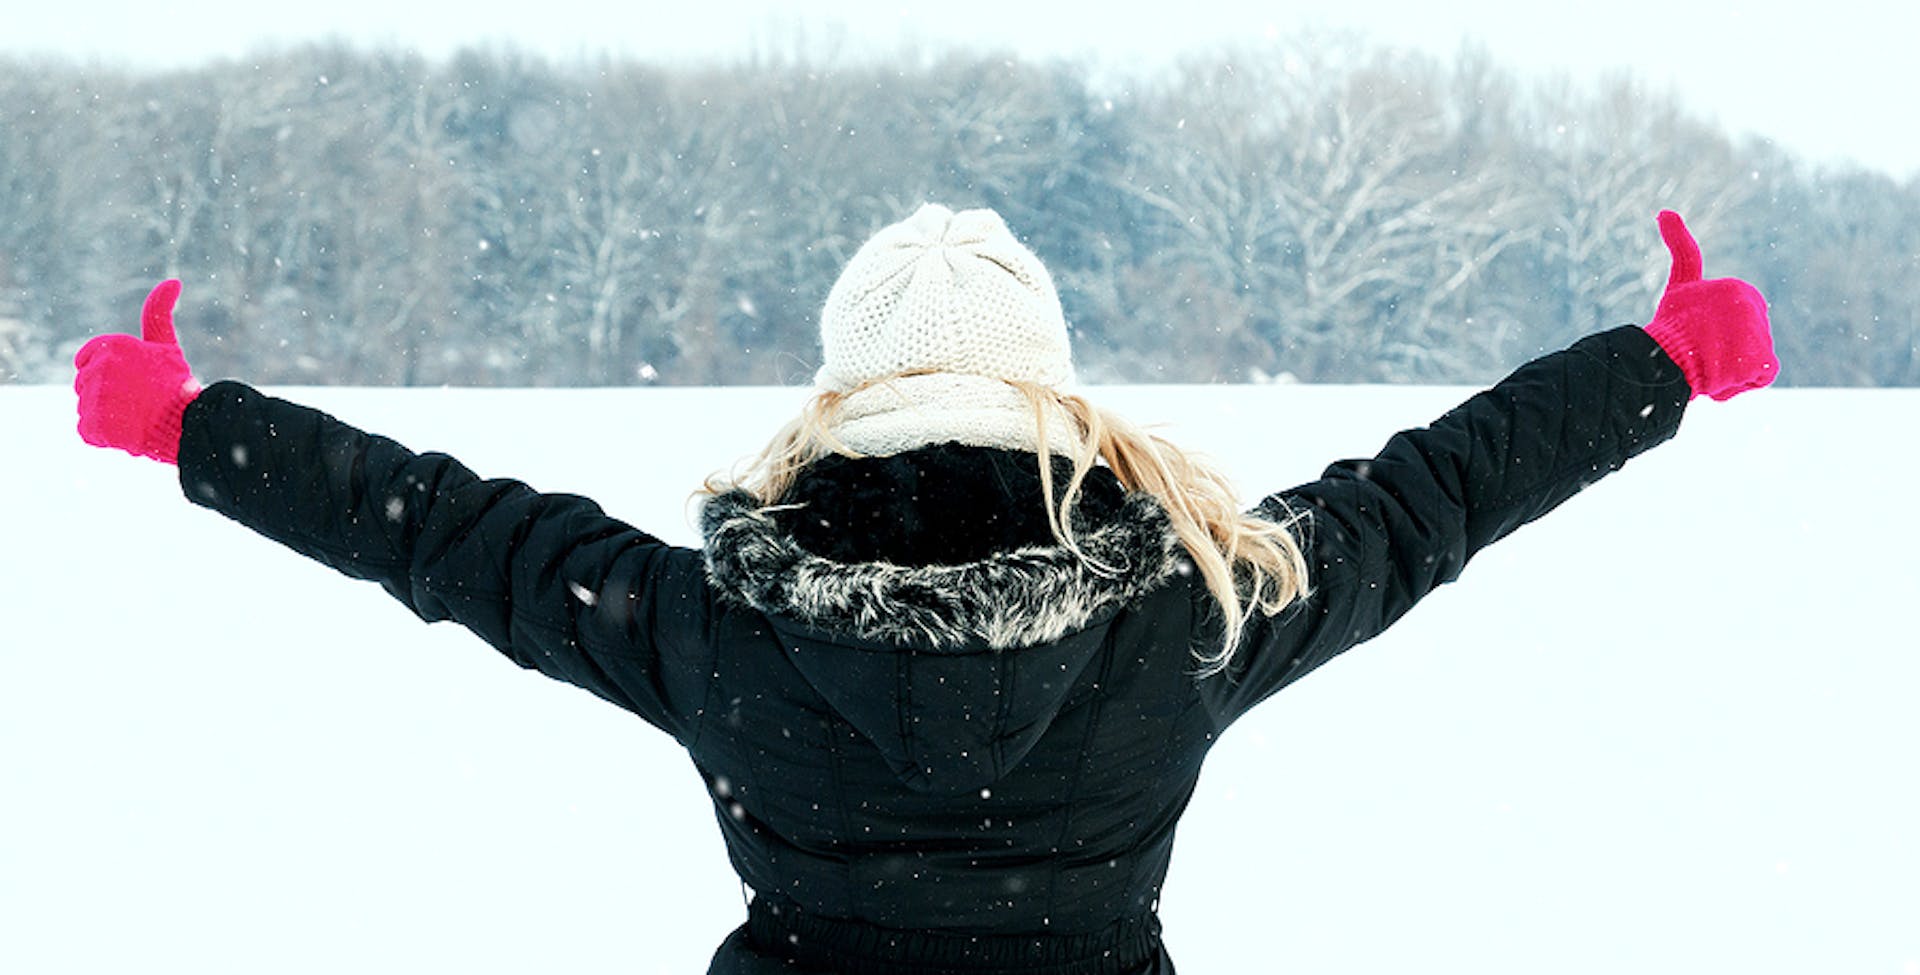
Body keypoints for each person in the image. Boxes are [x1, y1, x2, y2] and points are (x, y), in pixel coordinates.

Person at [73, 203, 1776, 974]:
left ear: (840, 402)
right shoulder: (1189, 611)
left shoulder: (708, 623)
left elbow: (445, 532)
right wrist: (1662, 362)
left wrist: (195, 427)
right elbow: (1432, 500)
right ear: (1052, 395)